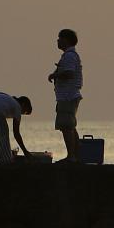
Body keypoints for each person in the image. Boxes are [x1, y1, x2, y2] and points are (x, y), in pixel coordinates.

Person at [48, 29, 83, 162]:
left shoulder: (69, 56)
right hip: (67, 96)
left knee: (66, 126)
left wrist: (55, 75)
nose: (57, 41)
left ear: (66, 40)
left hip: (68, 96)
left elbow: (69, 73)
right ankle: (76, 155)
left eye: (60, 38)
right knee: (70, 126)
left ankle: (71, 156)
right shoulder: (69, 56)